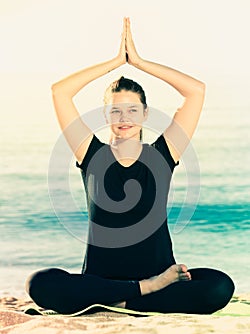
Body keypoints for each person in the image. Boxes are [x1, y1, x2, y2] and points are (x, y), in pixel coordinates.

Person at [26, 18, 234, 315]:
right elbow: (60, 91)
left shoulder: (163, 153)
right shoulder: (90, 153)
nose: (124, 117)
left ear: (146, 113)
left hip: (159, 275)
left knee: (220, 285)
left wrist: (138, 62)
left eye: (132, 109)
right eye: (115, 110)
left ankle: (118, 301)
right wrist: (114, 62)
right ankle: (139, 293)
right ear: (105, 114)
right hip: (105, 280)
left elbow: (196, 91)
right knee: (38, 283)